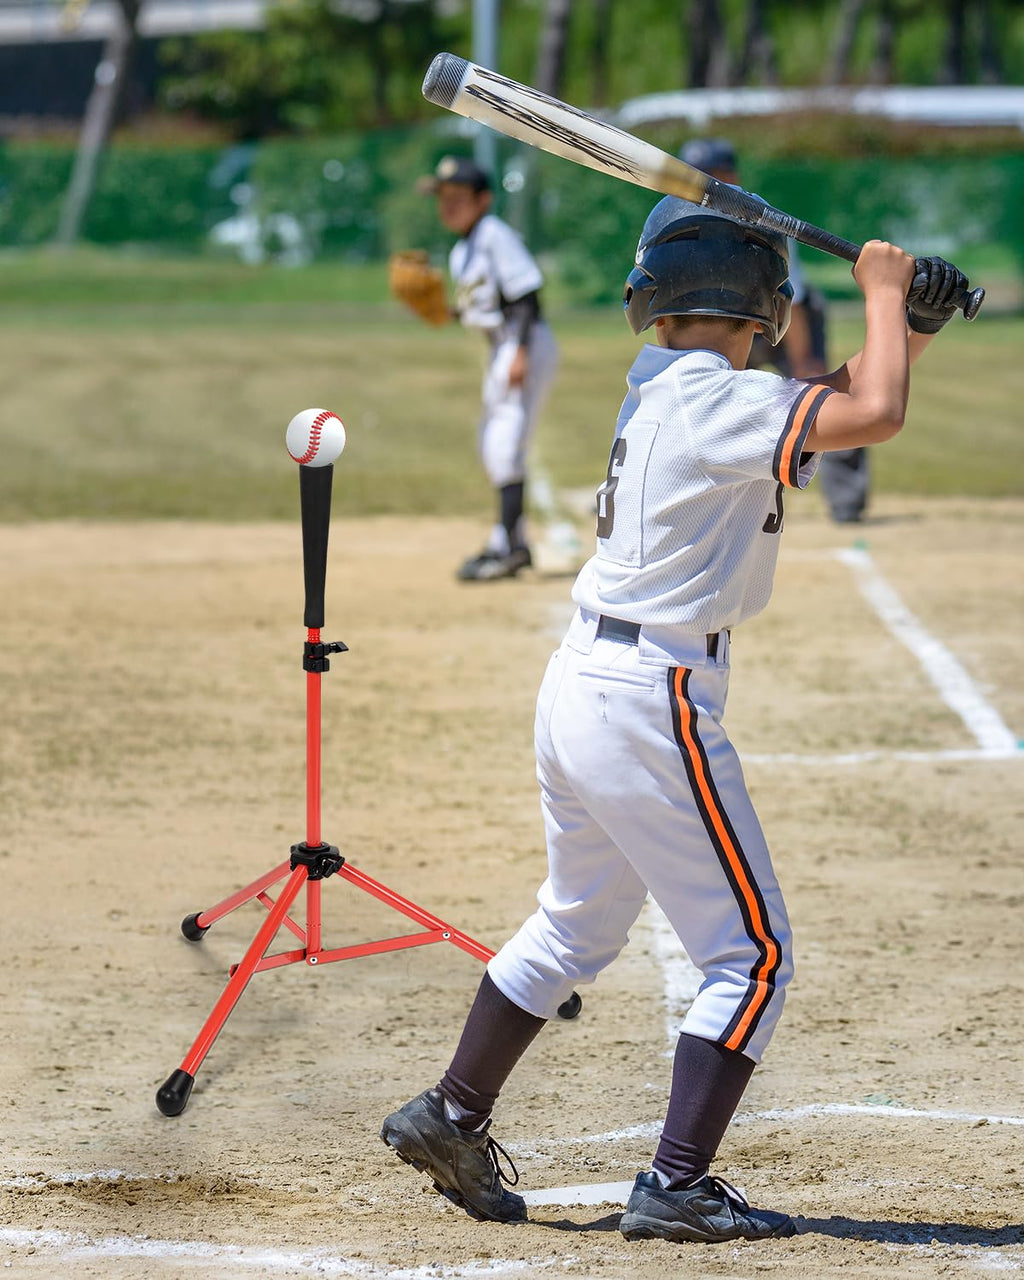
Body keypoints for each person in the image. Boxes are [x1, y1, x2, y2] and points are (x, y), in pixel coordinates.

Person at [380, 196, 965, 1242]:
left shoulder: (669, 385)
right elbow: (872, 414)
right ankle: (677, 1185)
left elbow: (832, 405)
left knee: (574, 924)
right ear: (764, 304)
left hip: (584, 683)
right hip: (651, 696)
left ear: (654, 299)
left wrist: (907, 326)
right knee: (754, 956)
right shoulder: (720, 399)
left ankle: (452, 1112)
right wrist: (881, 291)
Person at [680, 137, 869, 523]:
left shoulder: (760, 218)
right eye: (693, 175)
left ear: (730, 176)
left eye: (709, 175)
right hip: (726, 318)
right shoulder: (680, 218)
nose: (699, 184)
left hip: (784, 313)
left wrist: (803, 361)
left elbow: (790, 297)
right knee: (700, 401)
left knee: (824, 397)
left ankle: (847, 501)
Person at [420, 154, 560, 581]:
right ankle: (513, 542)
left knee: (504, 446)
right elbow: (485, 308)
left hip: (523, 344)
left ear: (482, 200)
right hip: (503, 348)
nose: (447, 205)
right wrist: (445, 313)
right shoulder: (463, 249)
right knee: (491, 443)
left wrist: (519, 353)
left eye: (458, 196)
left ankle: (507, 548)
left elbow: (527, 297)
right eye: (443, 197)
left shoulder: (494, 235)